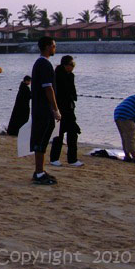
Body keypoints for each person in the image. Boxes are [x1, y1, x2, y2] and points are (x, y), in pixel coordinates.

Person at [29, 36, 62, 185]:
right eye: (54, 46)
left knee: (40, 139)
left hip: (38, 108)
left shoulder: (39, 63)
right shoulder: (45, 64)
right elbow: (48, 88)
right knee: (41, 141)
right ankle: (39, 172)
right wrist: (55, 109)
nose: (55, 48)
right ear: (48, 47)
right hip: (43, 109)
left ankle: (40, 170)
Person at [49, 56, 83, 167]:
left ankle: (71, 159)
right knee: (59, 133)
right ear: (65, 65)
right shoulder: (57, 75)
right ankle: (55, 159)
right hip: (60, 108)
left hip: (69, 108)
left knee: (72, 132)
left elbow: (72, 91)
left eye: (74, 65)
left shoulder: (70, 76)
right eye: (71, 65)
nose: (73, 68)